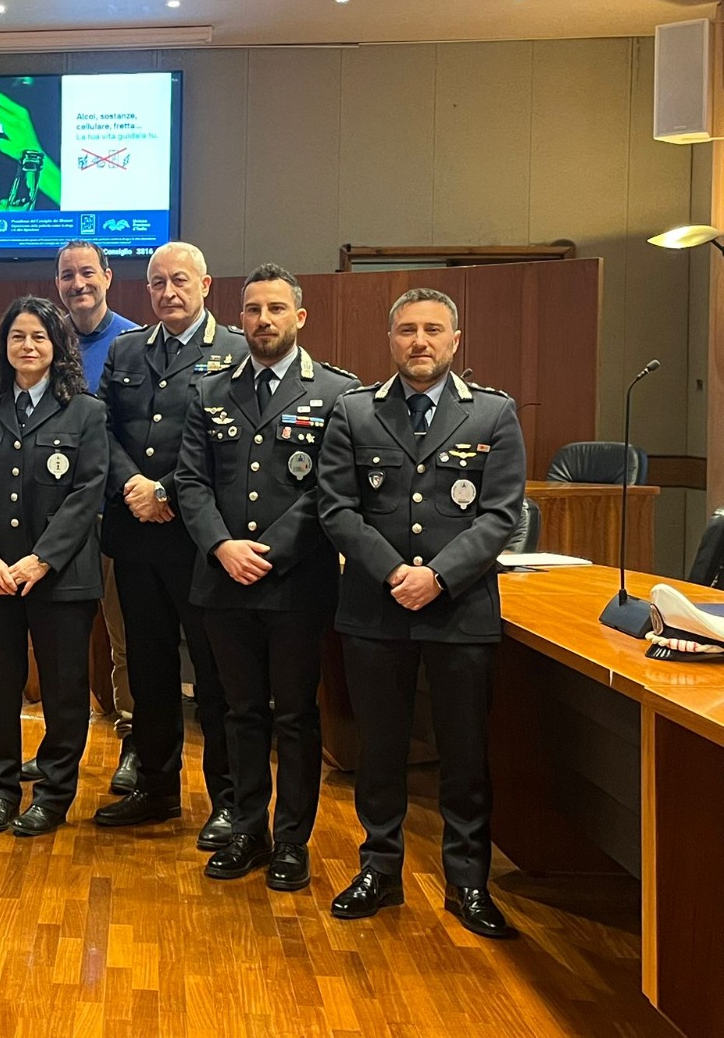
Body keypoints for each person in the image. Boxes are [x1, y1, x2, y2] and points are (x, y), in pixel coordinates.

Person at [318, 288, 525, 938]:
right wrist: (393, 573)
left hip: (459, 610)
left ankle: (468, 882)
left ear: (455, 340)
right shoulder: (354, 411)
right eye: (407, 330)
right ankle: (379, 869)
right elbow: (336, 507)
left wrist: (437, 576)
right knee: (379, 750)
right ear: (390, 340)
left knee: (464, 753)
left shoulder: (493, 412)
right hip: (375, 609)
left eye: (433, 329)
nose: (420, 341)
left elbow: (501, 514)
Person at [176, 264, 359, 890]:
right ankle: (247, 830)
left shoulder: (336, 392)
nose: (263, 320)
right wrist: (222, 546)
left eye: (276, 309)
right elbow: (191, 482)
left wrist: (269, 552)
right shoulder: (209, 390)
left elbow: (330, 491)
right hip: (223, 580)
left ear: (299, 317)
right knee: (239, 712)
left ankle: (291, 842)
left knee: (296, 717)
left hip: (296, 586)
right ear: (240, 317)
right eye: (253, 310)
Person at [92, 242, 245, 844]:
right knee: (149, 669)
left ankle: (228, 801)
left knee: (214, 673)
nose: (167, 292)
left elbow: (231, 447)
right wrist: (133, 483)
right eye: (157, 283)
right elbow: (103, 429)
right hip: (135, 535)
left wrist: (165, 490)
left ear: (205, 285)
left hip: (199, 539)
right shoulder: (128, 349)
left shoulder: (234, 351)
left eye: (179, 280)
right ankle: (156, 789)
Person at [0, 295, 107, 837]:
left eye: (39, 337)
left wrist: (42, 559)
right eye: (17, 336)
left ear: (57, 346)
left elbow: (88, 492)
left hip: (61, 578)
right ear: (3, 346)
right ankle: (1, 789)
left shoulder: (86, 412)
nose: (28, 346)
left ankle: (54, 795)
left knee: (64, 691)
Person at [53, 240, 138, 790]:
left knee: (124, 638)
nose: (78, 283)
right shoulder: (45, 339)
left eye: (88, 272)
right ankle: (58, 750)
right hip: (55, 521)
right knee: (59, 640)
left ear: (108, 276)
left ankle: (133, 740)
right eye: (68, 275)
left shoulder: (133, 343)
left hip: (113, 517)